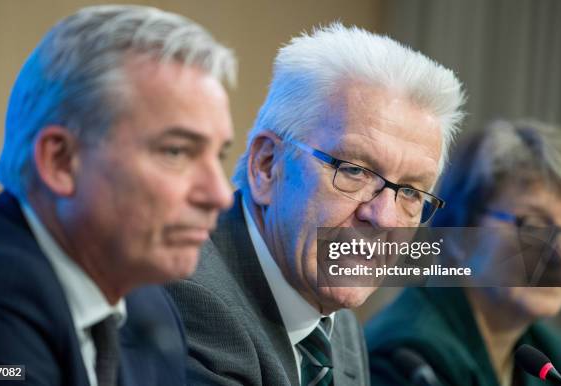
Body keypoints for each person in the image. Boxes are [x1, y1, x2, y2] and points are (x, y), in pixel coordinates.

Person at [166, 23, 465, 386]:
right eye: (354, 170)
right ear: (266, 166)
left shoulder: (336, 326)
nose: (383, 217)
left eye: (411, 193)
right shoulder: (189, 296)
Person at [0, 5, 235, 386]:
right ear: (61, 161)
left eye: (217, 156)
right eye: (176, 151)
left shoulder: (147, 308)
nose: (220, 195)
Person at [366, 119, 561, 386]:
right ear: (458, 232)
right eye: (533, 225)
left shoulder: (551, 355)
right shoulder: (406, 359)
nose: (560, 254)